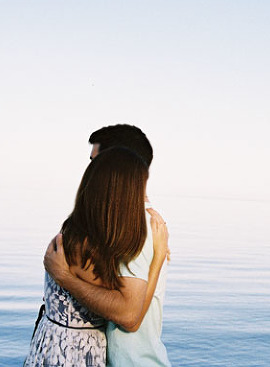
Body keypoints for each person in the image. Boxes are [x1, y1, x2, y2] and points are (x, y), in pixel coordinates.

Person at [24, 147, 169, 367]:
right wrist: (156, 258)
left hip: (58, 347)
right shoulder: (81, 246)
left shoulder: (83, 234)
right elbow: (131, 315)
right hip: (71, 355)